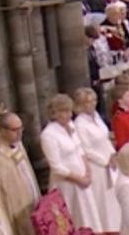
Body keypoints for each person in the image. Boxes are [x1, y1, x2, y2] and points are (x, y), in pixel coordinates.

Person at [70, 87, 121, 232]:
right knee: (102, 199)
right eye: (88, 102)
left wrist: (113, 154)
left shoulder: (96, 116)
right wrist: (105, 160)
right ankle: (105, 229)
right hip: (96, 166)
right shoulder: (79, 124)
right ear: (80, 104)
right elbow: (86, 149)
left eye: (94, 100)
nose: (92, 104)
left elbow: (105, 138)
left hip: (109, 161)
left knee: (112, 197)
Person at [38, 94, 93, 228]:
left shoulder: (70, 126)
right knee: (73, 218)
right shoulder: (48, 134)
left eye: (70, 110)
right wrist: (78, 179)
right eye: (65, 111)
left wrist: (87, 170)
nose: (69, 115)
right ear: (54, 113)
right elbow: (56, 166)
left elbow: (79, 148)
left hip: (82, 179)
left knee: (88, 214)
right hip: (67, 183)